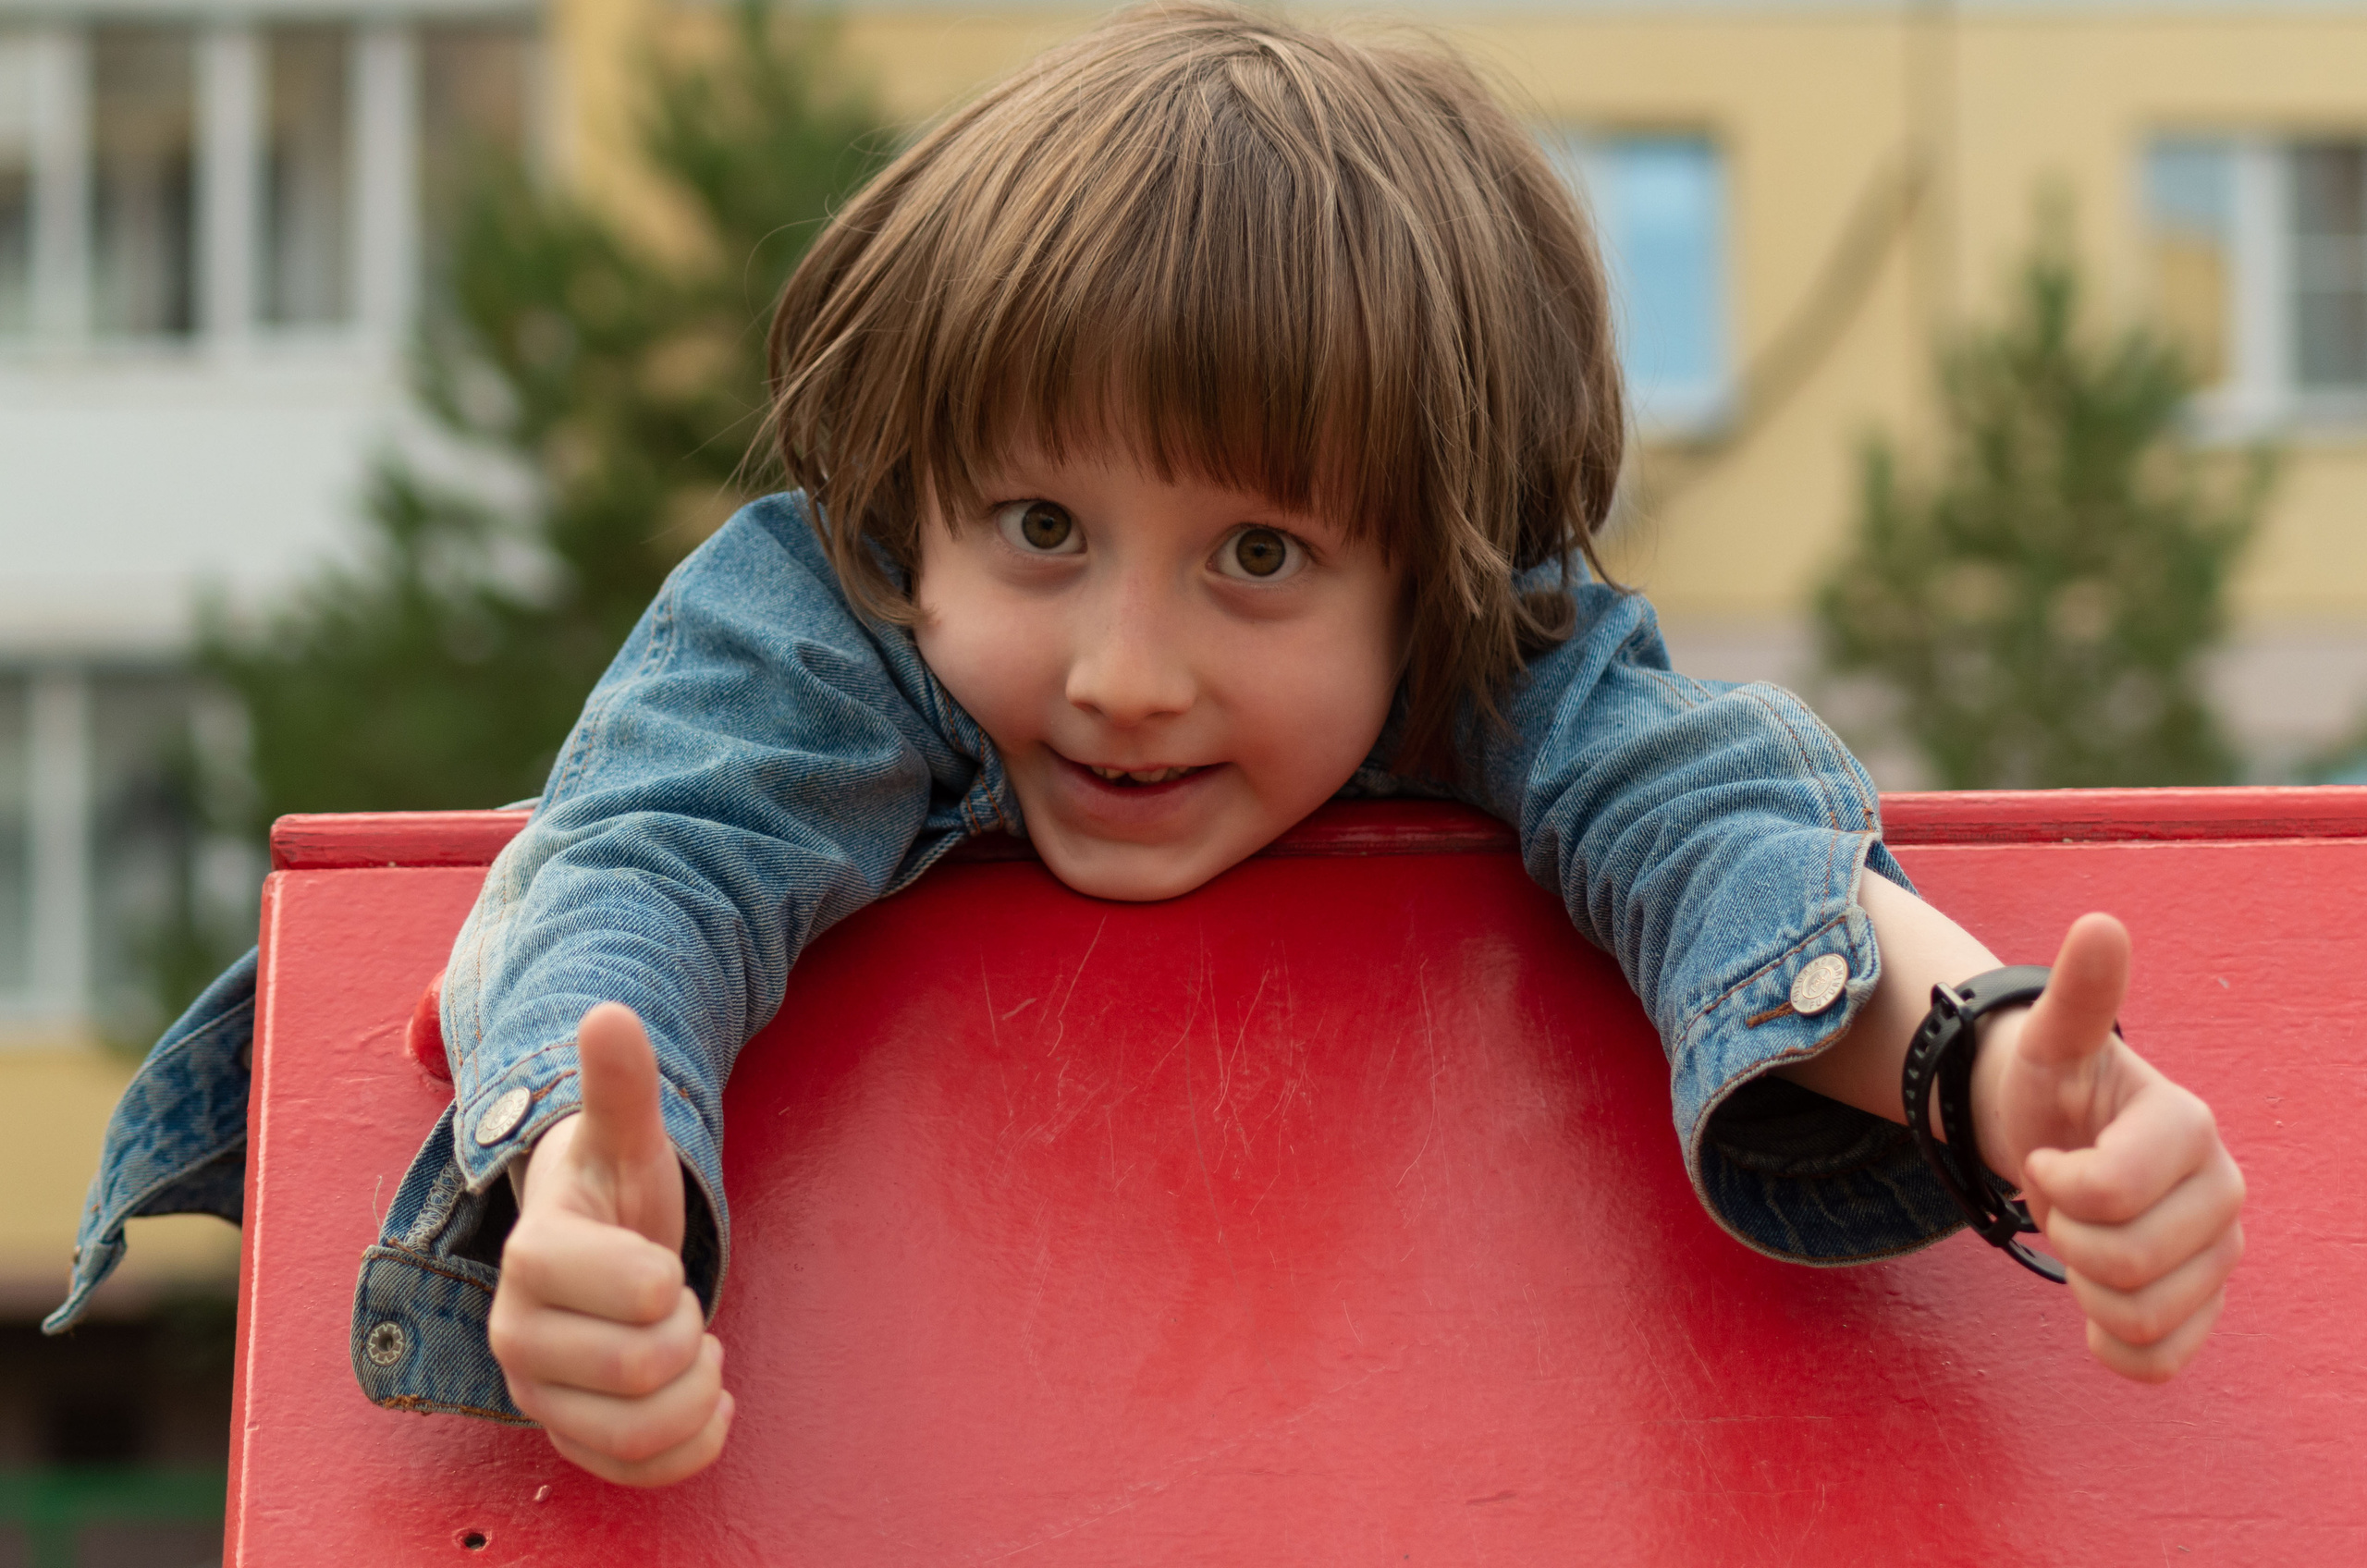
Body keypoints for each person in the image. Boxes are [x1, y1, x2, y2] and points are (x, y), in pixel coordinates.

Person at [54, 1, 2244, 1492]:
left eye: (1258, 555)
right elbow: (667, 851)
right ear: (913, 496)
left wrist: (1960, 1053)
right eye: (1039, 526)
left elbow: (1697, 814)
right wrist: (575, 1194)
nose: (1117, 666)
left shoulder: (1497, 651)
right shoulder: (819, 616)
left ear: (1432, 573)